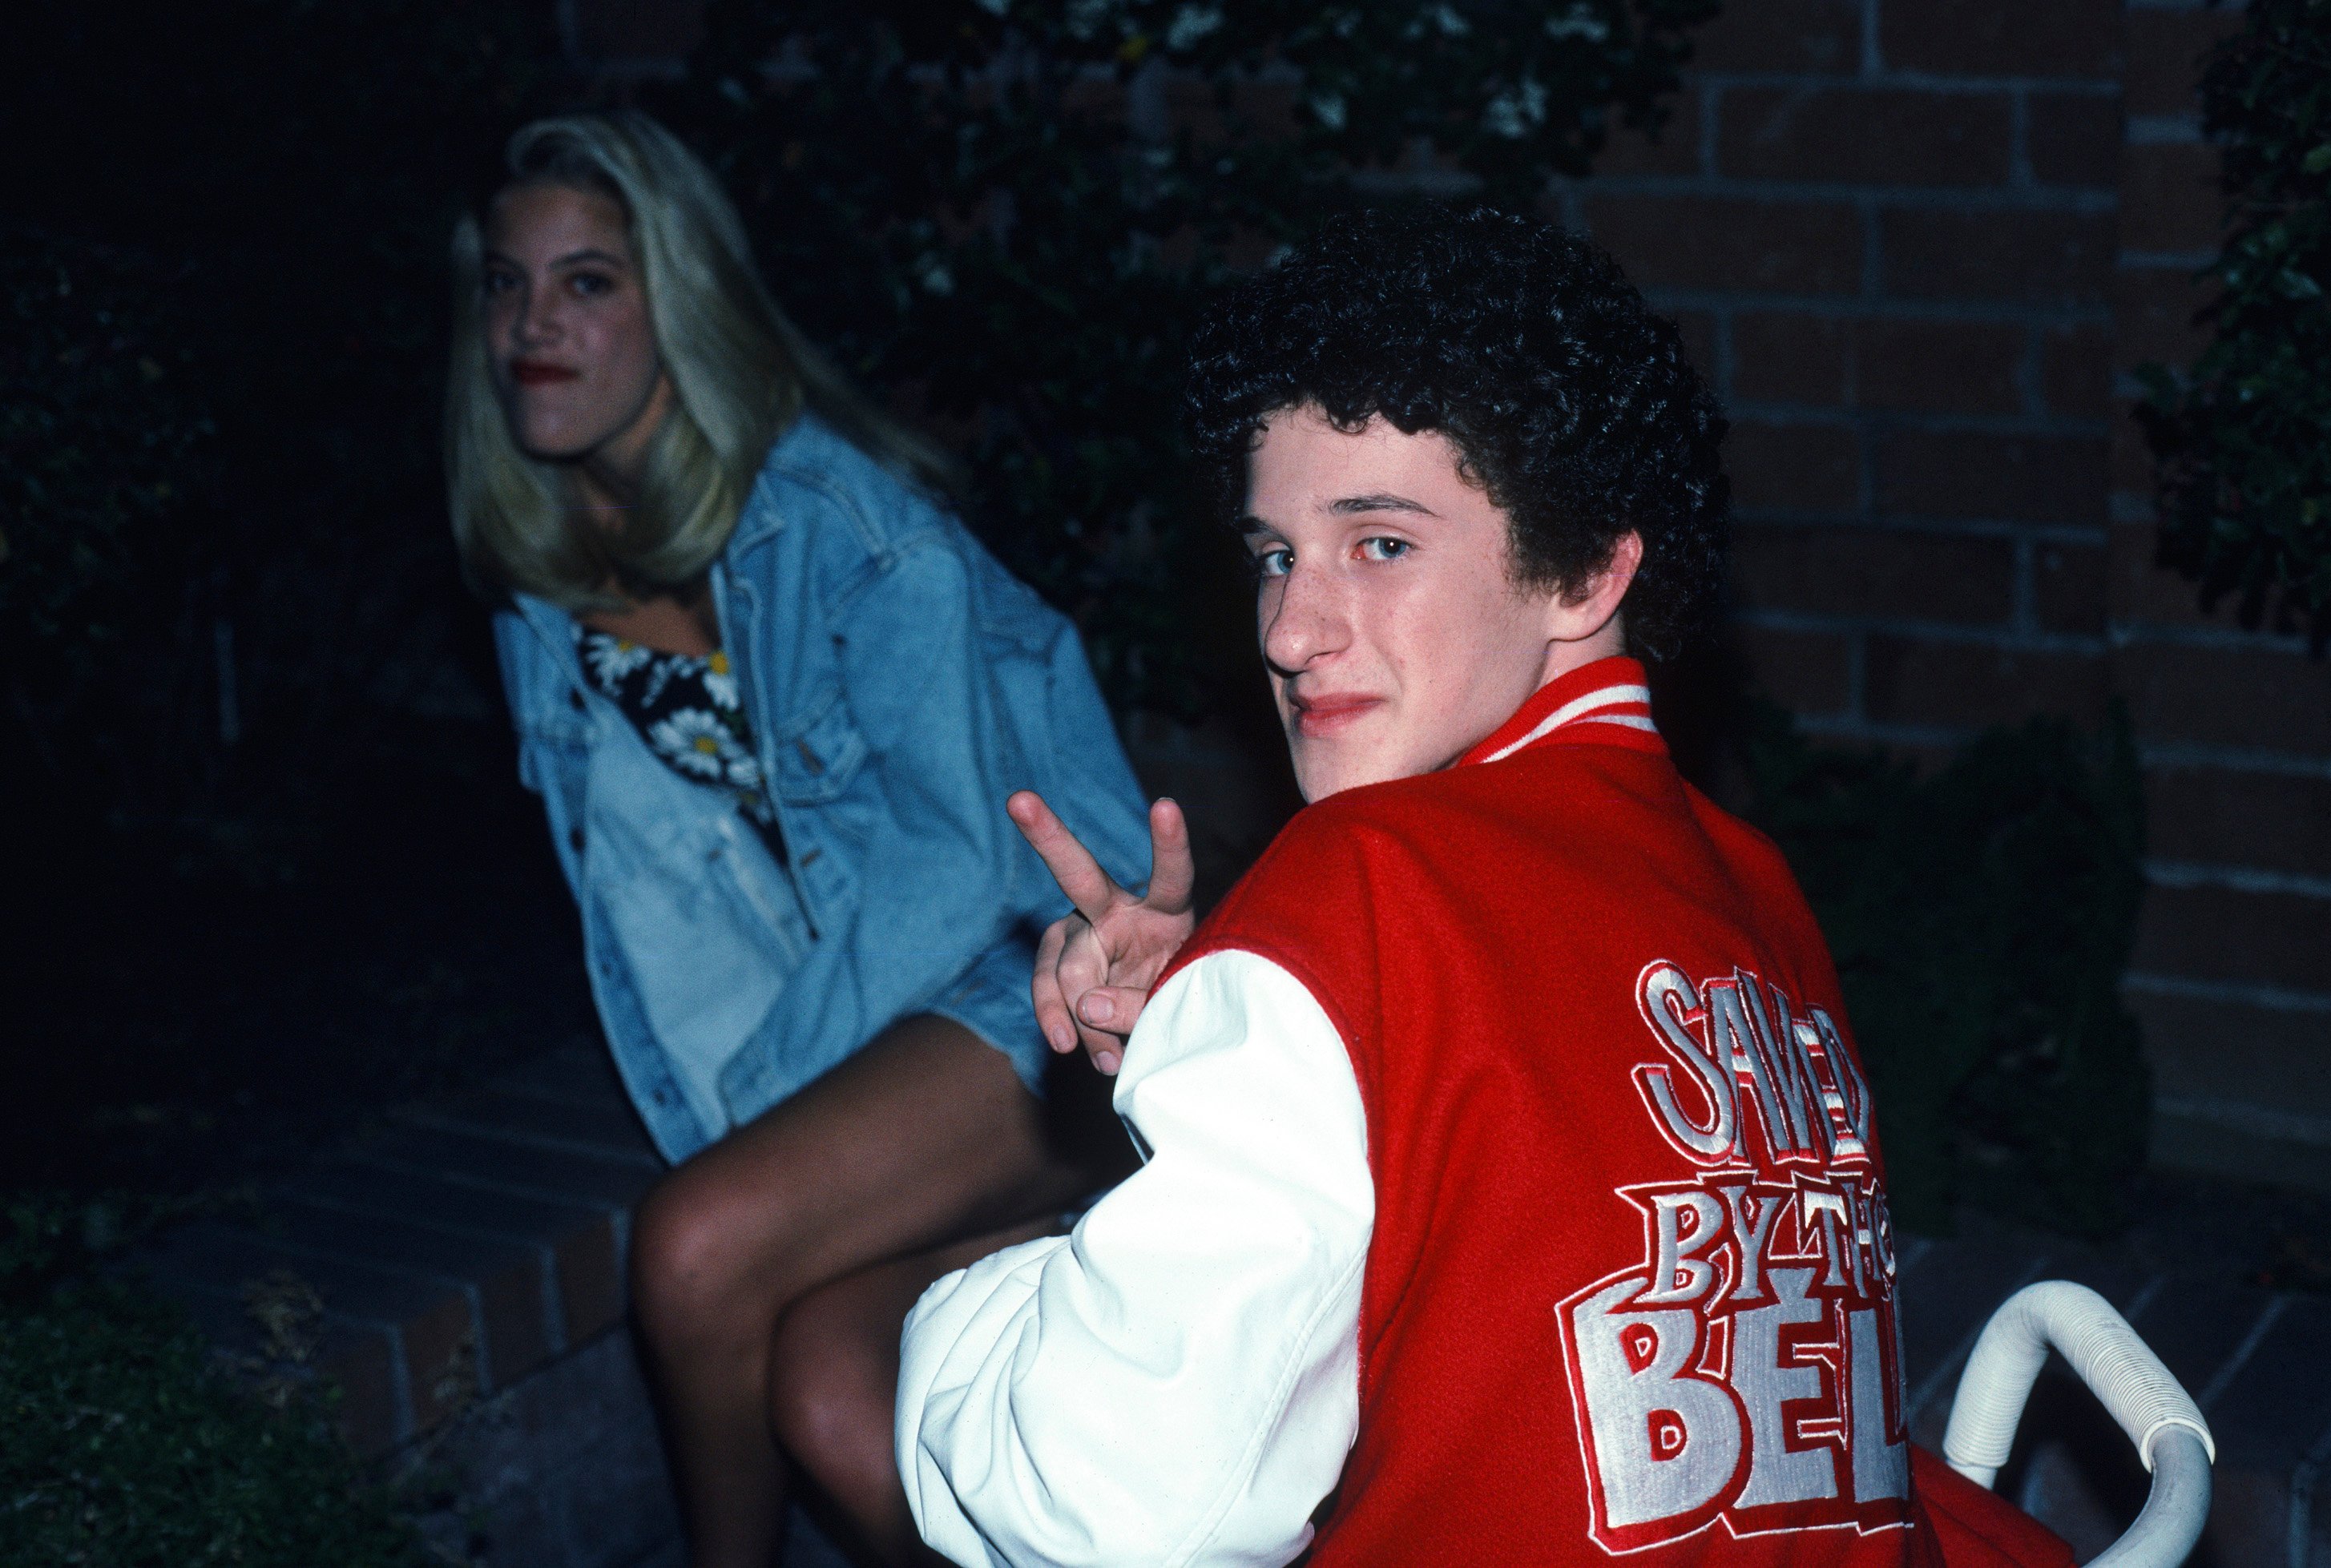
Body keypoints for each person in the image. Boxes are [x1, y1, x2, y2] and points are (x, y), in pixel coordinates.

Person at [893, 207, 2076, 1568]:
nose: (1287, 626)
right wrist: (1242, 1012)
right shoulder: (1750, 879)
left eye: (1380, 543)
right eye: (1274, 552)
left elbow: (1098, 1507)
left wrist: (961, 1310)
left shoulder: (1367, 885)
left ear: (1584, 568)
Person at [445, 111, 1154, 1567]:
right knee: (833, 1386)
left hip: (1042, 976)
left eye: (589, 282)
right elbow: (650, 900)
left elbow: (957, 872)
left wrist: (767, 1117)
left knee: (696, 1246)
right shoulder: (542, 586)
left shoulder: (838, 526)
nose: (534, 323)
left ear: (679, 300)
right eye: (507, 284)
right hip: (873, 1013)